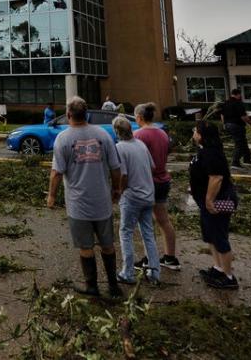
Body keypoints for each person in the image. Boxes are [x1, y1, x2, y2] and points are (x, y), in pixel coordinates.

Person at [47, 96, 123, 297]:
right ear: (87, 114)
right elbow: (116, 168)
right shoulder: (103, 135)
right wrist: (117, 189)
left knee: (85, 246)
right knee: (107, 245)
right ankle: (113, 286)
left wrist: (51, 196)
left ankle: (92, 286)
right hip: (102, 202)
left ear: (69, 114)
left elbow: (56, 172)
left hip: (78, 204)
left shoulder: (63, 139)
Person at [189, 120, 238, 289]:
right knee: (210, 236)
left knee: (219, 237)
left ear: (202, 136)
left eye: (195, 131)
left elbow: (216, 178)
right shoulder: (204, 151)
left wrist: (209, 199)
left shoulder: (212, 153)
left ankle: (229, 276)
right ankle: (218, 268)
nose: (194, 133)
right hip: (205, 202)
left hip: (217, 201)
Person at [112, 115, 160, 285]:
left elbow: (123, 175)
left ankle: (128, 272)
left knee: (125, 233)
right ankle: (154, 272)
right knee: (148, 234)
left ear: (116, 131)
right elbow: (153, 167)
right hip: (148, 195)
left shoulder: (119, 148)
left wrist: (118, 192)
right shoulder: (141, 144)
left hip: (132, 197)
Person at [133, 102, 180, 270]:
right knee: (163, 220)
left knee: (146, 222)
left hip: (147, 182)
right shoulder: (162, 133)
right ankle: (170, 257)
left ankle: (148, 259)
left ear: (139, 117)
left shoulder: (139, 135)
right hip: (163, 180)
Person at [220, 89, 251, 167]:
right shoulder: (238, 103)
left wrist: (224, 124)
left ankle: (247, 159)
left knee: (243, 142)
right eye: (240, 95)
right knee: (239, 144)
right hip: (236, 125)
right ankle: (235, 162)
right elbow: (243, 117)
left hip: (228, 125)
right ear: (238, 94)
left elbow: (222, 115)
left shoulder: (225, 102)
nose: (240, 96)